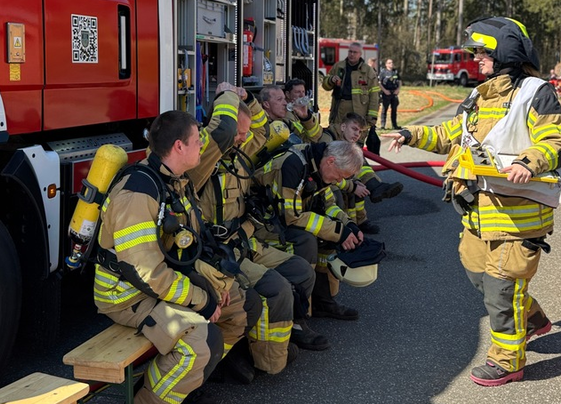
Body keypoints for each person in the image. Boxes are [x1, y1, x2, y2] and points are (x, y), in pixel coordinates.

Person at [388, 17, 561, 387]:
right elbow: (450, 134)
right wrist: (412, 133)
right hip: (478, 215)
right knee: (479, 277)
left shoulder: (536, 92)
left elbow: (556, 141)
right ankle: (534, 318)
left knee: (502, 292)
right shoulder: (479, 95)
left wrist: (528, 161)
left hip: (518, 218)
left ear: (505, 50)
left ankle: (508, 361)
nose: (476, 59)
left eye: (482, 52)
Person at [93, 110, 256, 404]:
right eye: (196, 141)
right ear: (179, 147)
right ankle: (149, 398)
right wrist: (201, 299)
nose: (201, 147)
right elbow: (145, 273)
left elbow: (183, 249)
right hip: (125, 295)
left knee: (242, 306)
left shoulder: (175, 181)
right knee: (200, 343)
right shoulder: (138, 194)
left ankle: (187, 385)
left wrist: (211, 285)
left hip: (157, 282)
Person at [187, 84, 329, 372]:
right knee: (274, 290)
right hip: (215, 254)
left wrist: (248, 98)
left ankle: (290, 333)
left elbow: (262, 131)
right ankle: (267, 360)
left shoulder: (241, 154)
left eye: (245, 132)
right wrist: (225, 94)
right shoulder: (203, 161)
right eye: (240, 132)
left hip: (245, 243)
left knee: (301, 271)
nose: (243, 138)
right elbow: (223, 131)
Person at [250, 140, 365, 321]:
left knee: (330, 236)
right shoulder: (293, 165)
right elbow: (291, 217)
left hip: (280, 220)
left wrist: (348, 225)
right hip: (261, 225)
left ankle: (323, 301)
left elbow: (329, 205)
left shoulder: (318, 165)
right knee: (306, 240)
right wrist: (338, 231)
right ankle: (300, 316)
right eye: (340, 176)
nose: (340, 181)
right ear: (331, 161)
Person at [324, 113, 404, 234]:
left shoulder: (345, 140)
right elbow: (328, 173)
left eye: (360, 132)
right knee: (347, 192)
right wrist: (353, 185)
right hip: (326, 182)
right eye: (354, 129)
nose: (357, 134)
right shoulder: (329, 138)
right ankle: (348, 227)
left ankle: (360, 222)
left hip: (339, 179)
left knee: (360, 184)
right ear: (343, 127)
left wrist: (355, 184)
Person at [321, 42, 380, 144]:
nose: (352, 54)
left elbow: (374, 96)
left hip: (358, 112)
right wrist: (331, 79)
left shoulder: (368, 71)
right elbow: (325, 86)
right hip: (339, 110)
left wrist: (371, 118)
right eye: (350, 51)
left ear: (360, 54)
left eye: (355, 52)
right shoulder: (338, 66)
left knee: (355, 144)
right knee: (337, 143)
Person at [378, 58, 402, 130]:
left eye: (392, 63)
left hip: (394, 93)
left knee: (394, 110)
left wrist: (398, 89)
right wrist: (385, 90)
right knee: (384, 110)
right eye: (389, 63)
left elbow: (400, 81)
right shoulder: (383, 72)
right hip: (386, 93)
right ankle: (383, 125)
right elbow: (379, 82)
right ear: (386, 64)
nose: (391, 64)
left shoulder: (395, 72)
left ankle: (394, 125)